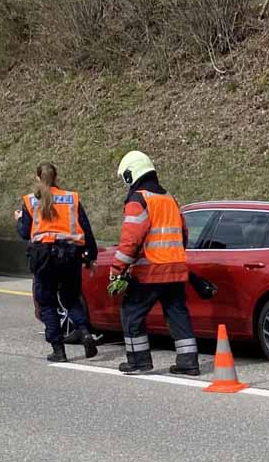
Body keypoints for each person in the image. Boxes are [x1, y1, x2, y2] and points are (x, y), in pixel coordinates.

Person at [110, 151, 200, 376]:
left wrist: (117, 268)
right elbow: (183, 233)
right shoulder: (169, 198)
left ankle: (138, 361)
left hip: (150, 269)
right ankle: (188, 362)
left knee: (131, 313)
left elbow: (131, 239)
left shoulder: (139, 199)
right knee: (177, 313)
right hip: (176, 267)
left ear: (132, 174)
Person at [15, 163, 98, 362]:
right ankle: (85, 332)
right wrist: (90, 256)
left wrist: (19, 219)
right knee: (71, 297)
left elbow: (25, 232)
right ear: (56, 176)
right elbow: (86, 229)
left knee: (47, 302)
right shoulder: (71, 198)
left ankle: (58, 350)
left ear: (37, 178)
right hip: (69, 255)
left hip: (43, 257)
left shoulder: (29, 201)